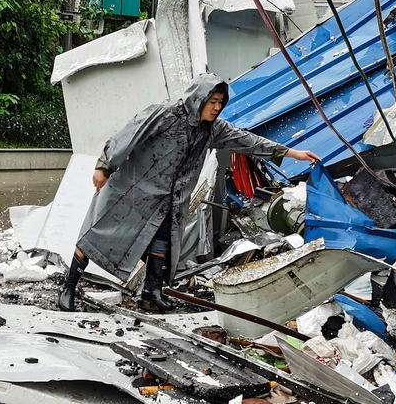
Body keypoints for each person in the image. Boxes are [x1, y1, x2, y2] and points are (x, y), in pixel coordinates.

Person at [59, 73, 321, 312]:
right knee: (98, 236)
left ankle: (151, 293)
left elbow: (247, 141)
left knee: (163, 244)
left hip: (168, 200)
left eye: (221, 102)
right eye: (213, 101)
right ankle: (69, 288)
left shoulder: (214, 130)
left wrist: (292, 153)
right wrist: (105, 166)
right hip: (133, 191)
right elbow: (130, 134)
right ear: (199, 98)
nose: (217, 107)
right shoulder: (167, 114)